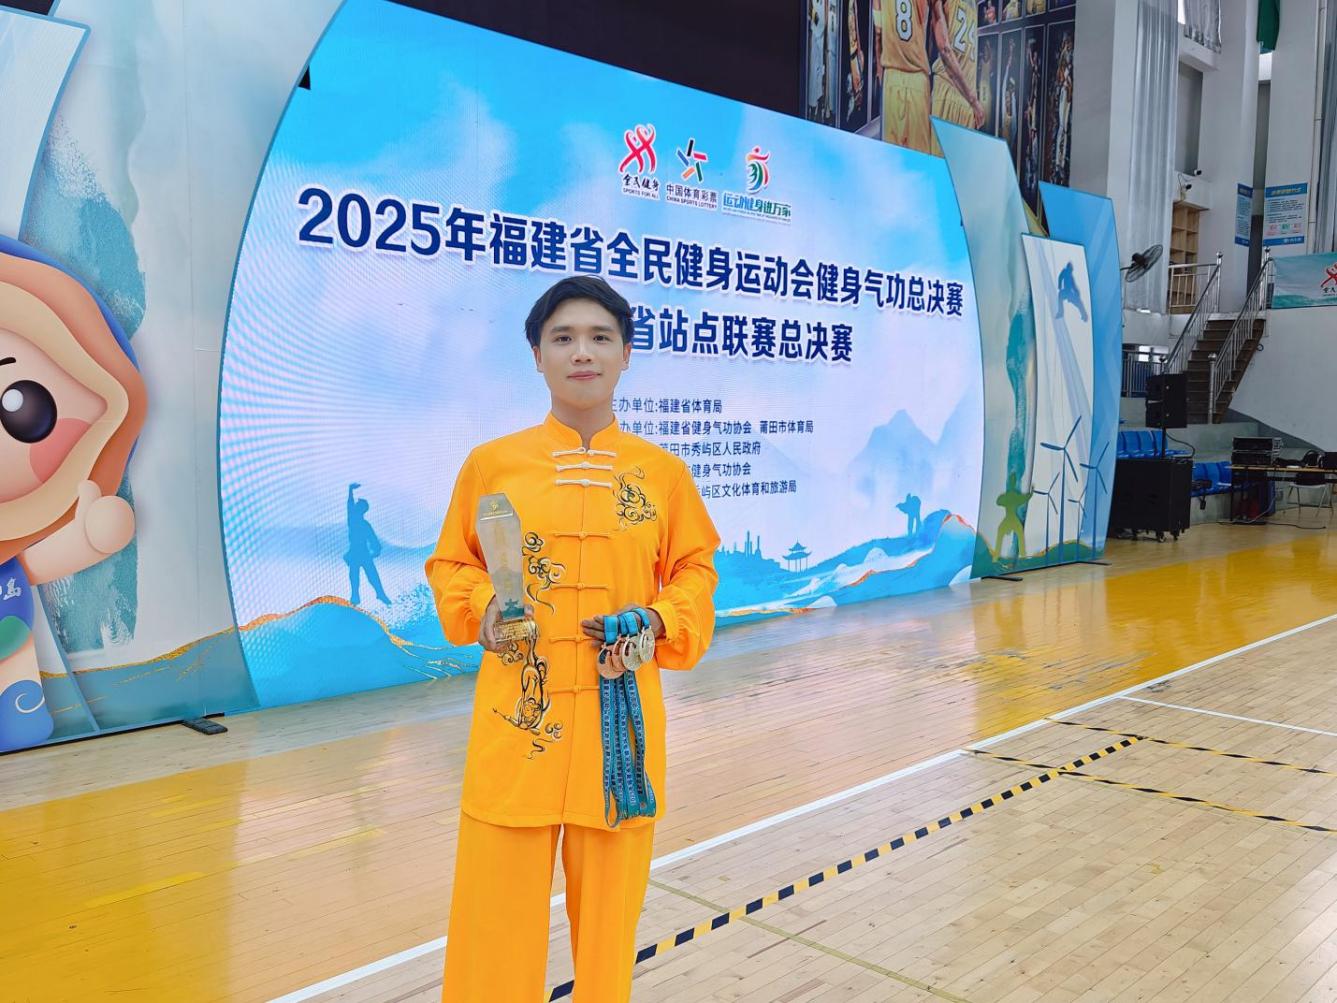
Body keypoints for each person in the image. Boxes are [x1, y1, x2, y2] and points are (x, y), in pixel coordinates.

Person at [426, 275, 720, 1002]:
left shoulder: (662, 474)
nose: (581, 353)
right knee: (493, 924)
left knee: (610, 930)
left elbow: (695, 568)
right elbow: (453, 564)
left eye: (599, 338)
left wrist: (660, 618)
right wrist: (484, 607)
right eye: (562, 338)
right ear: (537, 355)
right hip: (517, 725)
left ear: (625, 354)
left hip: (620, 735)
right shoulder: (492, 465)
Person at [872, 0, 933, 152]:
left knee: (891, 156)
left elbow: (878, 31)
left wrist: (880, 70)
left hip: (892, 75)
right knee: (919, 158)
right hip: (918, 77)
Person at [928, 0, 986, 155]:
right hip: (951, 90)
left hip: (966, 100)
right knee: (940, 167)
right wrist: (973, 100)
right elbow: (944, 49)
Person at [345, 483, 391, 606]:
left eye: (357, 505)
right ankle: (356, 596)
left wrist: (376, 549)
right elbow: (350, 505)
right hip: (356, 552)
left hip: (361, 552)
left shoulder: (361, 523)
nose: (354, 506)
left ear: (360, 509)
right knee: (355, 575)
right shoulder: (355, 520)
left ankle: (379, 594)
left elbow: (373, 539)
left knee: (371, 575)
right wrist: (350, 491)